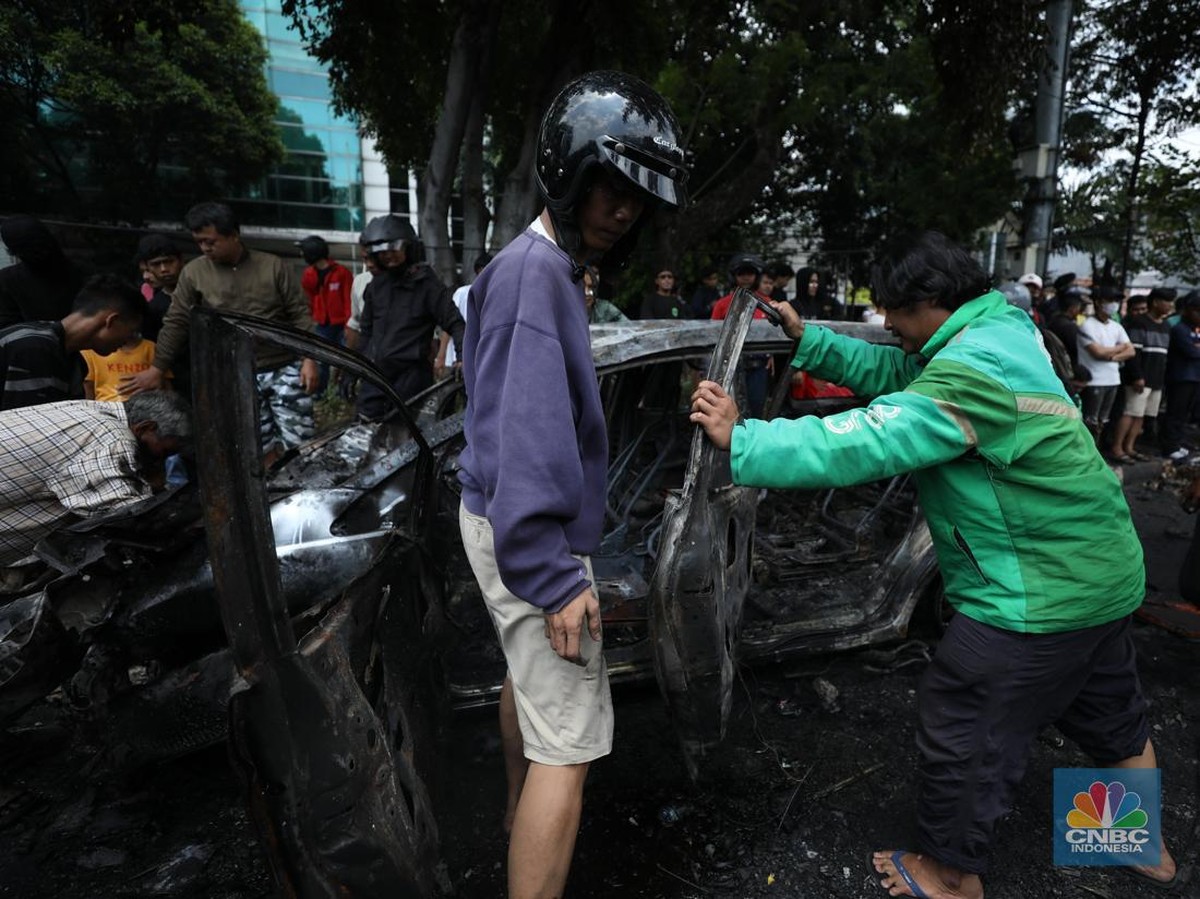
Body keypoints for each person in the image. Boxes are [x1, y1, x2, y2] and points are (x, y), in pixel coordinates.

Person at [690, 231, 1177, 898]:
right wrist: (813, 343)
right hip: (1100, 574)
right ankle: (1142, 849)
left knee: (968, 720)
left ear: (930, 301)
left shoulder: (973, 369)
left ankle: (950, 878)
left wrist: (743, 438)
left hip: (1039, 592)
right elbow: (907, 377)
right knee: (1110, 712)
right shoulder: (1002, 332)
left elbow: (873, 437)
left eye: (893, 310)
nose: (886, 322)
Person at [457, 70, 687, 899]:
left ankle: (515, 816)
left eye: (637, 200)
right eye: (610, 187)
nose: (623, 211)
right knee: (571, 742)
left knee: (531, 686)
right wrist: (555, 579)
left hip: (504, 519)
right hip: (530, 535)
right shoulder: (534, 276)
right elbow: (525, 440)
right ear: (569, 169)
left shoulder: (543, 267)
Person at [121, 202, 319, 458]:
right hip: (234, 374)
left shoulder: (273, 266)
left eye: (210, 241)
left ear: (233, 235)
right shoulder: (194, 273)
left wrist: (309, 359)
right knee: (255, 447)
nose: (205, 248)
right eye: (199, 242)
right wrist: (157, 368)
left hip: (284, 367)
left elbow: (300, 313)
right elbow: (176, 321)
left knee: (302, 442)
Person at [0, 390, 191, 566]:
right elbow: (123, 511)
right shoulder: (111, 437)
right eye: (165, 451)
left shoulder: (91, 410)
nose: (162, 460)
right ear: (145, 428)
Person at [354, 214, 464, 419]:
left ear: (408, 248)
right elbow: (366, 334)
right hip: (375, 378)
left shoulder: (427, 285)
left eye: (394, 249)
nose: (389, 256)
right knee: (363, 430)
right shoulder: (375, 287)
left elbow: (455, 322)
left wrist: (462, 357)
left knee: (404, 433)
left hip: (411, 380)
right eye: (382, 252)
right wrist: (353, 369)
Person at [0, 273, 144, 410]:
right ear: (111, 321)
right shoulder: (34, 348)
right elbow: (28, 423)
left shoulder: (74, 361)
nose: (127, 340)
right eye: (131, 331)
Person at [1111, 288, 1173, 463]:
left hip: (1157, 379)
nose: (1170, 306)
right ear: (1156, 302)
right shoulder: (1139, 323)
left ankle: (1130, 447)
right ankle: (1117, 447)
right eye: (1167, 302)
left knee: (1141, 415)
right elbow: (1134, 354)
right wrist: (1137, 376)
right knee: (1130, 412)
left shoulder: (1166, 326)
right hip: (1140, 379)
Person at [712, 252, 773, 417]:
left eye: (750, 273)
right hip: (728, 367)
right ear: (734, 276)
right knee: (729, 411)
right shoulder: (722, 305)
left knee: (757, 408)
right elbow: (713, 337)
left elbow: (773, 333)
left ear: (757, 276)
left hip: (759, 365)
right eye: (741, 273)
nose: (746, 277)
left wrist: (771, 355)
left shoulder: (767, 304)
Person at [0, 215, 85, 328]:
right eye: (34, 249)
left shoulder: (83, 270)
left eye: (42, 245)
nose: (43, 252)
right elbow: (7, 324)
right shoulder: (7, 280)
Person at [1078, 284, 1135, 444]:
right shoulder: (1087, 325)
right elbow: (1098, 352)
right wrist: (1120, 348)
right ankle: (1086, 452)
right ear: (1098, 302)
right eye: (1110, 300)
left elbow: (1131, 351)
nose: (1114, 304)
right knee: (1089, 422)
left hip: (1113, 380)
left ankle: (1097, 451)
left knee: (1102, 422)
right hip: (1094, 381)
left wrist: (1111, 356)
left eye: (1116, 300)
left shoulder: (1116, 326)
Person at [296, 234, 352, 394]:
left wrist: (348, 324)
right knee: (321, 360)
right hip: (322, 324)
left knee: (344, 361)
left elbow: (348, 299)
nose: (302, 255)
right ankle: (320, 392)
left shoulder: (341, 273)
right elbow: (308, 298)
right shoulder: (309, 274)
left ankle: (343, 392)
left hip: (341, 324)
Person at [436, 252, 492, 378]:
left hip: (477, 363)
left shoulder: (495, 298)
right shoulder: (462, 293)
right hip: (454, 361)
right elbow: (449, 326)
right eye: (481, 271)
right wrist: (441, 356)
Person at [1162, 290, 1200, 461]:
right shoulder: (1179, 329)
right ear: (1188, 310)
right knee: (1175, 413)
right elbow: (1192, 352)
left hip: (1194, 377)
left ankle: (1177, 443)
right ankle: (1169, 446)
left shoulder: (1194, 330)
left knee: (1184, 415)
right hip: (1181, 378)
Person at [132, 234, 184, 343]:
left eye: (169, 262)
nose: (164, 269)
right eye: (156, 264)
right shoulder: (154, 308)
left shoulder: (200, 289)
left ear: (180, 260)